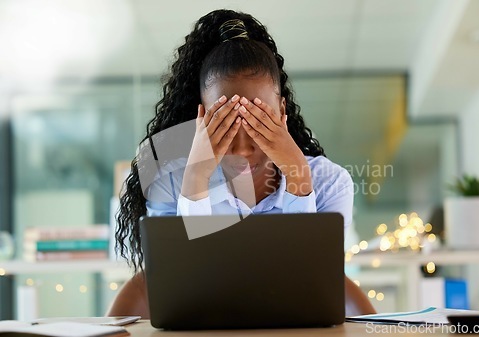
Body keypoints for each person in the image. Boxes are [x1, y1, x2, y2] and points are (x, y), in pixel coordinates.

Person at [108, 9, 375, 317]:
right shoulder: (168, 181)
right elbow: (183, 285)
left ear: (282, 111)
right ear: (202, 120)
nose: (245, 150)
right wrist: (196, 178)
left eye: (259, 124)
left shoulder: (331, 183)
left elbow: (304, 284)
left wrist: (297, 173)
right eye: (227, 126)